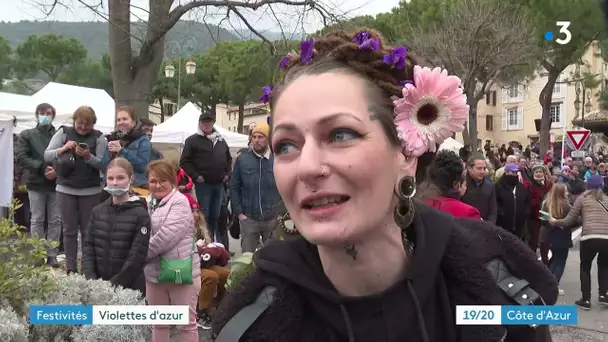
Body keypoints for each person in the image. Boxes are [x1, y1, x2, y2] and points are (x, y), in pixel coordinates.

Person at [212, 28, 557, 342]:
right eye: (286, 145)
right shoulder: (248, 328)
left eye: (340, 134)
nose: (307, 167)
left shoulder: (505, 293)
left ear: (406, 151)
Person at [44, 106, 108, 274]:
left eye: (87, 124)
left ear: (93, 124)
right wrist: (63, 149)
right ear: (74, 121)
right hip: (65, 189)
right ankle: (71, 268)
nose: (83, 127)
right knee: (69, 230)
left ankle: (87, 268)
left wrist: (88, 156)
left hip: (91, 191)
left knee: (88, 232)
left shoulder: (100, 138)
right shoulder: (63, 133)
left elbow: (103, 164)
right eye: (80, 123)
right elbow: (47, 155)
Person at [145, 160, 200, 342]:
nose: (158, 185)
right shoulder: (147, 202)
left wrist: (138, 255)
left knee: (186, 324)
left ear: (172, 181)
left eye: (163, 180)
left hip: (180, 270)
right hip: (153, 273)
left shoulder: (180, 202)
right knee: (159, 323)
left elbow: (165, 238)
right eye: (153, 181)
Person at [83, 158, 150, 295]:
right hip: (98, 287)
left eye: (120, 178)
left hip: (129, 289)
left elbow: (136, 256)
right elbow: (88, 247)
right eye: (110, 178)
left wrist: (113, 285)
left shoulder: (140, 215)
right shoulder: (97, 211)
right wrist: (92, 280)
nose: (114, 183)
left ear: (131, 179)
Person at [549, 175, 608, 310]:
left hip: (589, 237)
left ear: (587, 186)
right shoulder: (607, 199)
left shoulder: (582, 199)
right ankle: (604, 295)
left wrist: (555, 221)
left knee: (585, 266)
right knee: (604, 266)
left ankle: (586, 300)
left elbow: (569, 220)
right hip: (606, 238)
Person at [16, 103, 62, 267]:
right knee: (37, 219)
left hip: (56, 183)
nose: (45, 115)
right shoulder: (27, 134)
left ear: (53, 116)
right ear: (36, 115)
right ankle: (38, 253)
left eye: (48, 113)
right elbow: (21, 156)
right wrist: (41, 166)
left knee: (55, 220)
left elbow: (65, 156)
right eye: (42, 113)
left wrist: (57, 170)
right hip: (35, 183)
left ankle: (52, 255)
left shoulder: (60, 134)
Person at [230, 122, 282, 252]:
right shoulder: (242, 160)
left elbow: (286, 186)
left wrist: (282, 213)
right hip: (249, 219)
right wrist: (239, 212)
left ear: (268, 139)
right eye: (254, 137)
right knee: (247, 259)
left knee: (274, 257)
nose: (256, 140)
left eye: (261, 137)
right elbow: (234, 187)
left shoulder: (278, 160)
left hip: (273, 220)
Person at [180, 111, 232, 242]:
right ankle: (202, 243)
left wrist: (227, 174)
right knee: (203, 216)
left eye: (209, 121)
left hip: (219, 184)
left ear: (213, 123)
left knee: (215, 216)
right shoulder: (192, 140)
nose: (207, 124)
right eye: (204, 122)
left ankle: (211, 242)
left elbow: (228, 159)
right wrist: (196, 176)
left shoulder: (220, 140)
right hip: (203, 185)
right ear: (200, 124)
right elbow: (185, 162)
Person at [185, 194, 230, 330]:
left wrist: (210, 248)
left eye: (197, 211)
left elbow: (208, 249)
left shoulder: (201, 227)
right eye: (191, 211)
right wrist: (199, 248)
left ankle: (219, 305)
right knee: (211, 276)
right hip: (186, 265)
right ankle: (201, 312)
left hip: (202, 262)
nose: (195, 214)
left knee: (226, 273)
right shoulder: (179, 228)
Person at [541, 183, 577, 296]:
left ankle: (547, 283)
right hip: (563, 237)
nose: (567, 193)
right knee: (560, 262)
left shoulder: (546, 203)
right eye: (565, 191)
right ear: (561, 193)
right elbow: (574, 220)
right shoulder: (566, 205)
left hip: (549, 236)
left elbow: (542, 220)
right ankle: (554, 285)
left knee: (554, 259)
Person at [102, 106, 151, 188]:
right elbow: (103, 167)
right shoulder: (113, 138)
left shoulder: (142, 138)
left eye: (124, 119)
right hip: (113, 185)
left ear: (133, 122)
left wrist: (122, 150)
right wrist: (110, 153)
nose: (121, 122)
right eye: (118, 120)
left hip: (134, 186)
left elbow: (142, 166)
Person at [423, 150, 481, 219]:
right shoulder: (469, 213)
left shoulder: (419, 205)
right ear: (456, 185)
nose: (466, 187)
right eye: (464, 183)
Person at [524, 164, 553, 264]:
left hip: (546, 216)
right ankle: (533, 263)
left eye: (540, 172)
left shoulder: (549, 184)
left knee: (545, 242)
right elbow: (527, 200)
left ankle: (546, 263)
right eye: (536, 172)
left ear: (544, 173)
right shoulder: (529, 185)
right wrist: (537, 202)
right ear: (533, 174)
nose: (539, 174)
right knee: (534, 241)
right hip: (534, 217)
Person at [495, 163, 530, 239]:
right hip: (503, 225)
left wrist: (525, 213)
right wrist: (502, 213)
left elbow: (527, 202)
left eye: (515, 172)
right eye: (512, 172)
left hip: (518, 226)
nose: (514, 174)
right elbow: (495, 203)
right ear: (506, 172)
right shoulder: (498, 186)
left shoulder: (521, 187)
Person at [461, 155, 498, 223]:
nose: (482, 171)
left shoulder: (489, 185)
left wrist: (489, 226)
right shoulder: (461, 185)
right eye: (479, 168)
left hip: (484, 228)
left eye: (484, 168)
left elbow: (493, 211)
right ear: (469, 168)